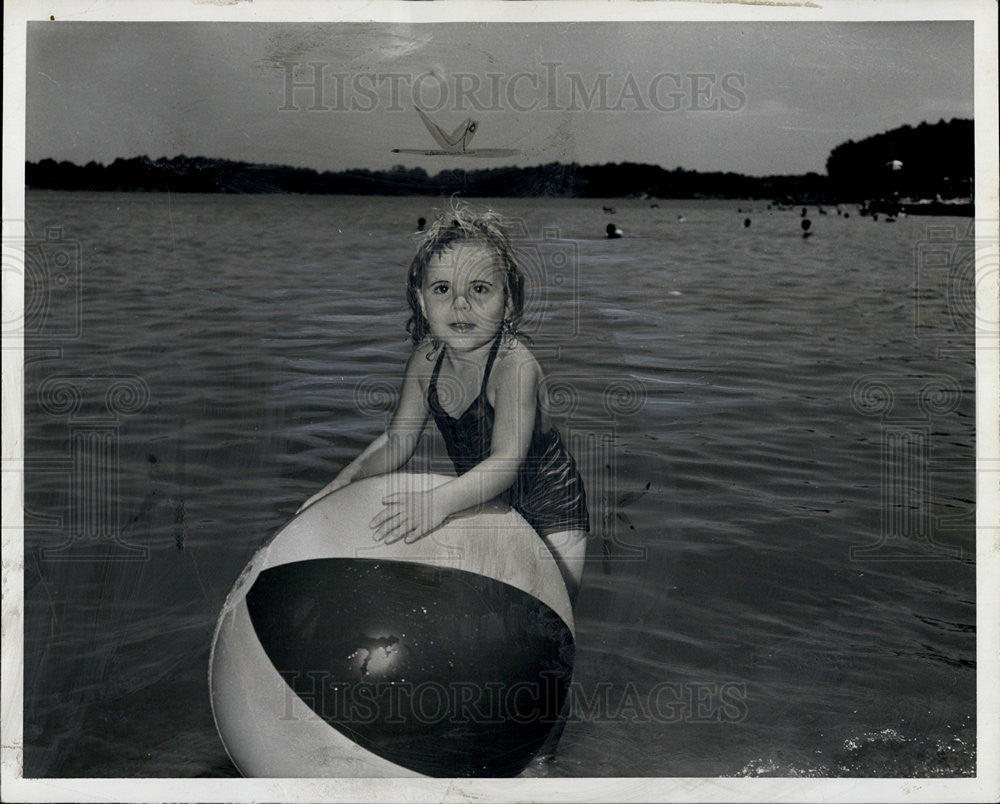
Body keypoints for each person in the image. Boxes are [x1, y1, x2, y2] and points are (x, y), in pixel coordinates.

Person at [298, 204, 590, 603]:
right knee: (486, 609)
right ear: (421, 301)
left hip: (552, 506)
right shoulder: (426, 360)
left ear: (508, 303)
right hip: (483, 495)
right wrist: (343, 482)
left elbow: (505, 463)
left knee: (550, 614)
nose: (460, 304)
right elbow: (397, 441)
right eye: (442, 289)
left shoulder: (514, 367)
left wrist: (437, 503)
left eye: (480, 289)